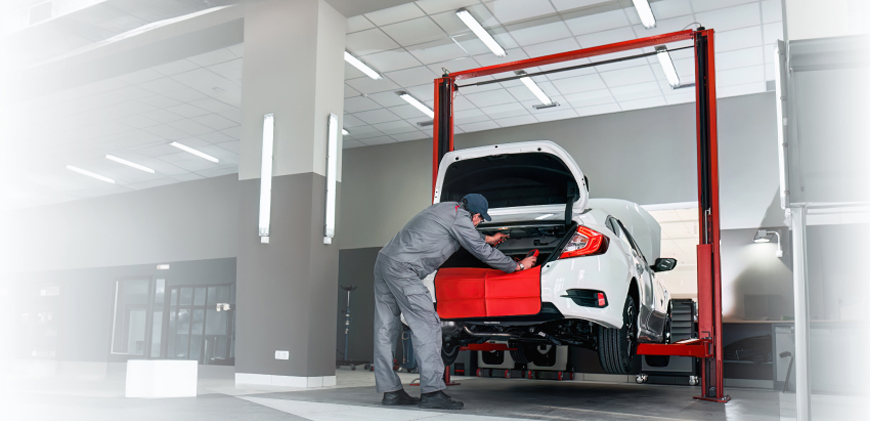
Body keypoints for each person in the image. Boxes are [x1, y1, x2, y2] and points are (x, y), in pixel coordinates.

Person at [373, 193, 538, 409]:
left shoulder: (446, 209)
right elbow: (481, 251)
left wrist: (488, 238)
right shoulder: (460, 218)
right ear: (475, 215)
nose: (479, 223)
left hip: (384, 262)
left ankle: (391, 392)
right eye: (481, 219)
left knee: (385, 328)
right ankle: (432, 393)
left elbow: (466, 235)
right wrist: (518, 265)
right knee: (428, 325)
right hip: (404, 270)